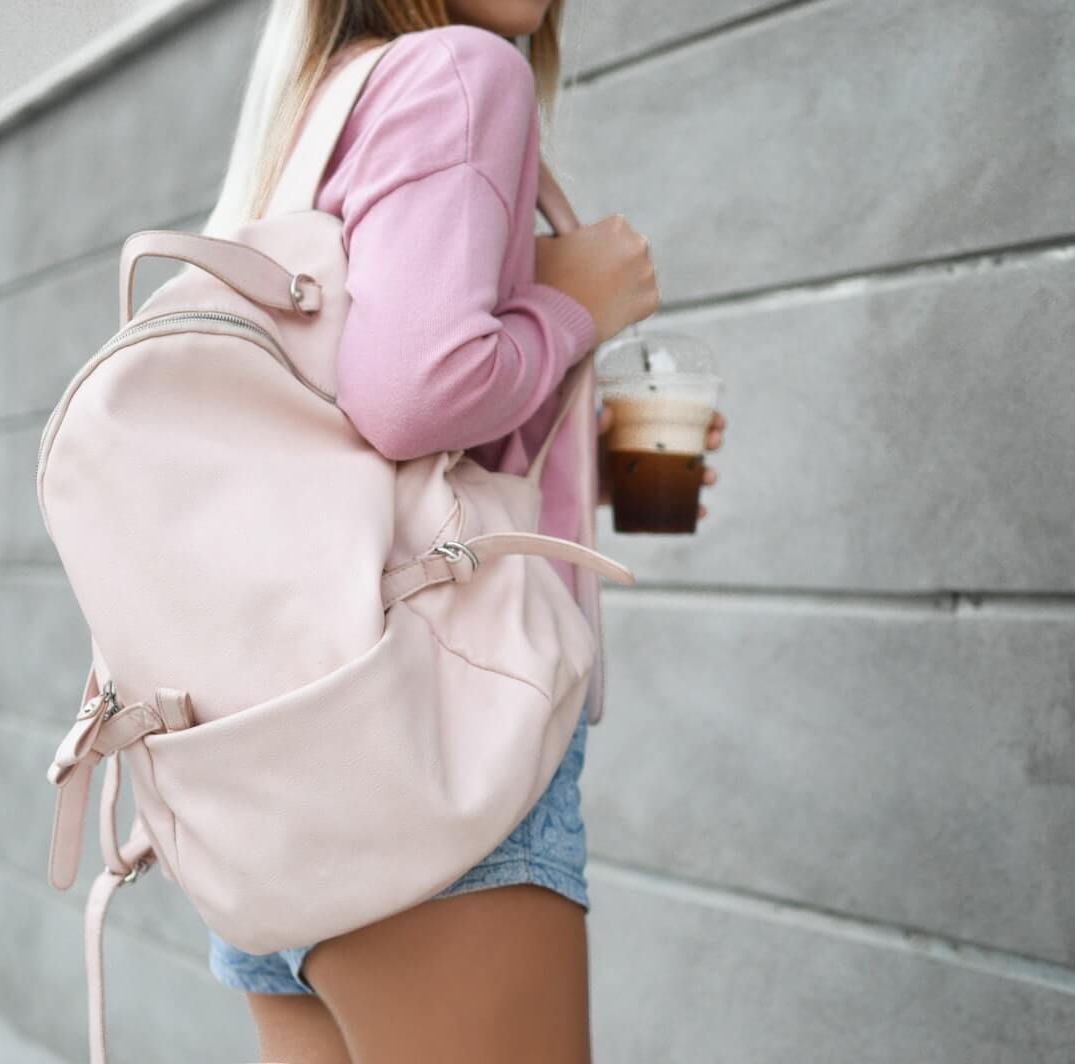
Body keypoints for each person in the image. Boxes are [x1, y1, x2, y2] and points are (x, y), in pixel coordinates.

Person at [199, 2, 727, 1061]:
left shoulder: (309, 105)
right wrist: (573, 304)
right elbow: (409, 393)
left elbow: (365, 428)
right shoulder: (460, 72)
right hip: (432, 762)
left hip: (270, 768)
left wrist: (553, 414)